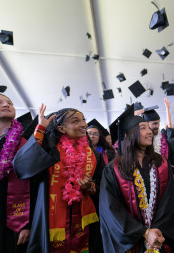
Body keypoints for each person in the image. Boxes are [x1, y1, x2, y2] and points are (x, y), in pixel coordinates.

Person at [13, 105, 105, 253]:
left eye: (83, 120)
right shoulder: (49, 152)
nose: (83, 124)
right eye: (75, 121)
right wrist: (41, 128)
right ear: (61, 129)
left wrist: (91, 187)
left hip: (85, 224)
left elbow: (103, 186)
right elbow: (22, 166)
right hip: (49, 221)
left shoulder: (95, 156)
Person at [99, 105, 174, 252]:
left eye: (149, 128)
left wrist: (155, 231)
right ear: (128, 135)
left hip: (159, 237)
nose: (149, 132)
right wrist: (143, 232)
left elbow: (169, 202)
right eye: (143, 128)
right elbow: (111, 208)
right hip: (129, 241)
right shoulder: (114, 168)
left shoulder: (162, 163)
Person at [0, 93, 31, 252]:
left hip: (13, 220)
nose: (6, 104)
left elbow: (34, 183)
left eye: (10, 102)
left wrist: (28, 224)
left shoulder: (25, 143)